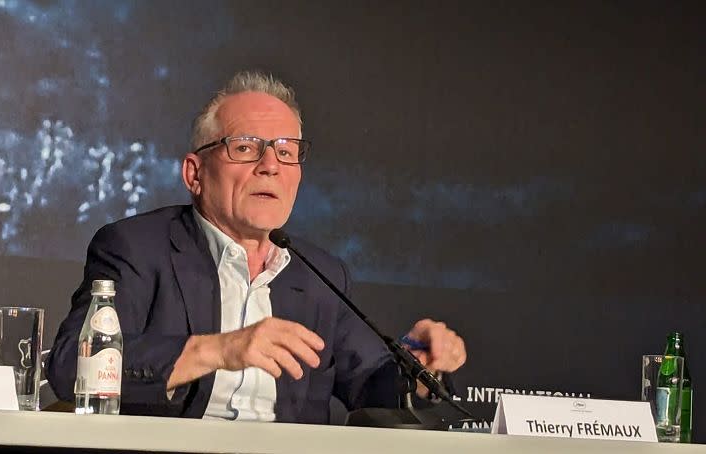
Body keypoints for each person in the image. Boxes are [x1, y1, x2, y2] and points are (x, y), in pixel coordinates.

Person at [47, 71, 466, 423]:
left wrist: (417, 370)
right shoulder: (137, 248)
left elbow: (372, 391)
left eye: (287, 152)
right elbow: (72, 367)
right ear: (194, 173)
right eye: (245, 148)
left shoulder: (320, 275)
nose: (270, 166)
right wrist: (222, 348)